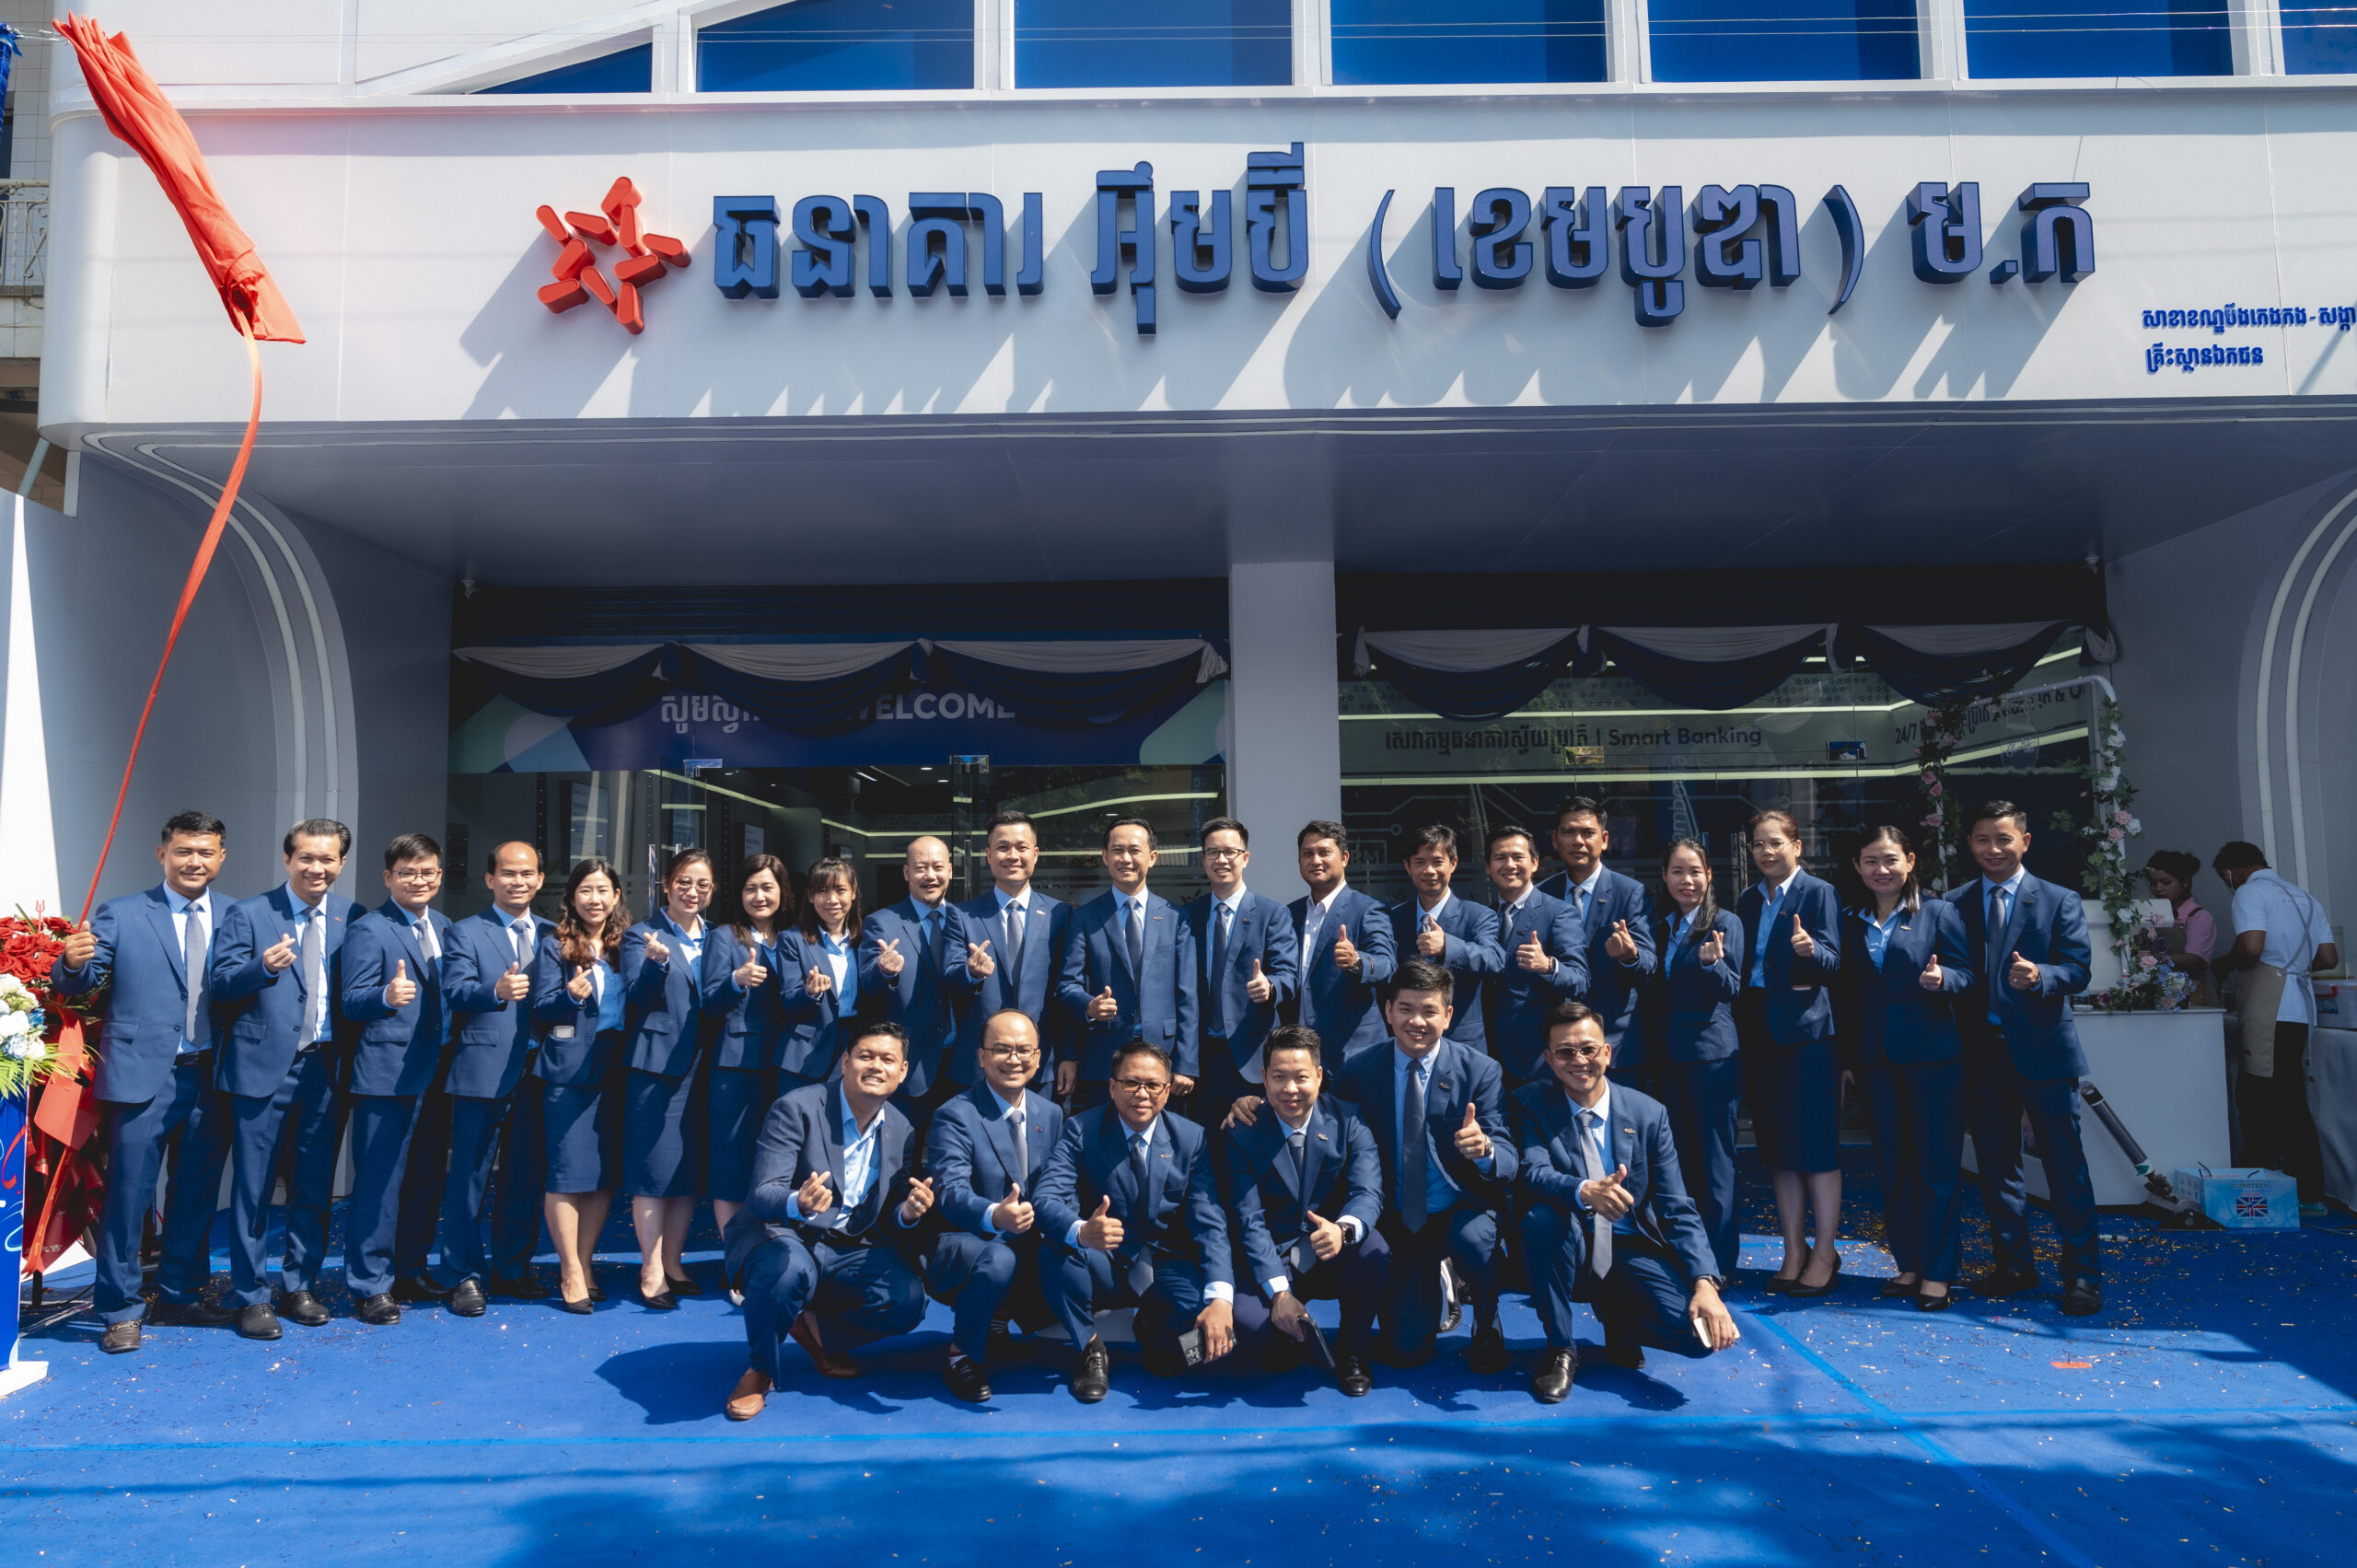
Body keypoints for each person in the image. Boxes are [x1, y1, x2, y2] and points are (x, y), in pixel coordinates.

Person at [52, 810, 240, 1354]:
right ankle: (120, 1309)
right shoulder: (123, 912)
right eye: (183, 851)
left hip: (211, 1077)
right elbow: (83, 982)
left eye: (205, 852)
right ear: (163, 855)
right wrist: (71, 962)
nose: (194, 861)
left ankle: (181, 1295)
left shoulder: (238, 915)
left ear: (221, 857)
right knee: (128, 1199)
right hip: (141, 1079)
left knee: (196, 1192)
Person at [1511, 1002, 1739, 1403]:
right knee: (1542, 1219)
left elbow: (1676, 1205)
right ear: (1548, 1059)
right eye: (1565, 1052)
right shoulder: (1529, 1102)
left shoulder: (1649, 1113)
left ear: (1607, 1052)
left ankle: (1621, 1320)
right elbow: (1533, 1171)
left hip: (1631, 1246)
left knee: (1699, 1337)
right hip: (1568, 1240)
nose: (1578, 1060)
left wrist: (1706, 1284)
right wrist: (1585, 1190)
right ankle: (1561, 1348)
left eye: (1588, 1049)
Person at [719, 1023, 935, 1422]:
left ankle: (817, 1331)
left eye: (888, 1059)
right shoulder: (797, 1108)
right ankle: (761, 1368)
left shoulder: (902, 1128)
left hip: (848, 1244)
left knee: (908, 1301)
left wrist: (906, 1212)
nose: (876, 1066)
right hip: (784, 1233)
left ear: (903, 1071)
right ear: (845, 1061)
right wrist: (798, 1202)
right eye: (866, 1056)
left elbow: (889, 1210)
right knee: (787, 1271)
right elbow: (763, 1193)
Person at [210, 819, 361, 1339]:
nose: (317, 868)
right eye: (306, 858)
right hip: (261, 1070)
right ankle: (251, 1296)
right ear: (287, 859)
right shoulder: (249, 913)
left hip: (327, 1069)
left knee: (313, 1185)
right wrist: (262, 968)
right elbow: (220, 985)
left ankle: (300, 1285)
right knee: (252, 1188)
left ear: (341, 863)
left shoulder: (352, 917)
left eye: (328, 859)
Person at [1948, 801, 2101, 1316]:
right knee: (1996, 1169)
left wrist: (2042, 976)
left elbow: (2078, 969)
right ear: (1969, 844)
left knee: (2065, 1168)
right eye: (1982, 839)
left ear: (2025, 841)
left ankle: (2082, 1276)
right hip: (1982, 1054)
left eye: (2003, 839)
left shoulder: (2058, 899)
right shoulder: (1954, 904)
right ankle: (2014, 1266)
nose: (1992, 849)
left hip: (2045, 1053)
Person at [1331, 958, 1515, 1373]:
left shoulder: (1480, 1071)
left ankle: (1487, 1322)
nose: (1417, 1021)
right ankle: (1435, 1279)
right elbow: (1322, 1122)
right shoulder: (1359, 1069)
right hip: (1397, 1215)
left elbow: (1508, 1158)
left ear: (1448, 1016)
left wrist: (1485, 1148)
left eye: (1429, 1011)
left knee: (1476, 1241)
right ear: (1388, 1011)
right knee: (1406, 1351)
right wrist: (1253, 1106)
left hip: (1456, 1209)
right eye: (1406, 1009)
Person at [1034, 1040, 1234, 1401]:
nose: (1142, 1093)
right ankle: (1089, 1347)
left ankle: (1154, 1329)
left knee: (1198, 1349)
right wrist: (1083, 1231)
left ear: (1167, 1091)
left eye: (1153, 1085)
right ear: (1112, 1087)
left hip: (1166, 1264)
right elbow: (1045, 1198)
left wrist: (1221, 1298)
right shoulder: (1081, 1129)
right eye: (1131, 1083)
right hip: (1106, 1258)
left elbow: (1210, 1222)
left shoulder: (1192, 1138)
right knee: (1055, 1251)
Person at [1835, 828, 1971, 1311]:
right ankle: (1909, 1263)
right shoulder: (1849, 920)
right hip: (1875, 1063)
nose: (1882, 870)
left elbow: (1966, 974)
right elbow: (1847, 997)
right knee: (1894, 1165)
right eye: (1871, 861)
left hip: (1933, 1060)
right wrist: (1848, 1061)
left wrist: (1943, 978)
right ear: (1857, 866)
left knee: (1936, 1168)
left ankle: (1938, 1272)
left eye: (1891, 859)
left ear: (1910, 861)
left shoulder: (1938, 913)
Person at [1219, 1025, 1387, 1397]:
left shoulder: (1349, 1119)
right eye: (1279, 1077)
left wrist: (1343, 1230)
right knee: (1254, 1333)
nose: (1290, 1089)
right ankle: (1289, 1331)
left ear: (1320, 1076)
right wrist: (1279, 1293)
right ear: (1263, 1078)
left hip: (1330, 1248)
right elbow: (1248, 1220)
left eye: (1301, 1077)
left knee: (1374, 1249)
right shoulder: (1242, 1132)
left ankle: (1352, 1350)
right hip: (1274, 1256)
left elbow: (1367, 1191)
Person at [336, 833, 456, 1324]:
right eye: (407, 872)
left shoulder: (445, 927)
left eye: (427, 872)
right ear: (388, 878)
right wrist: (385, 996)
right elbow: (351, 1000)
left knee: (425, 1179)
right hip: (386, 1077)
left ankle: (409, 1269)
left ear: (439, 876)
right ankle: (370, 1284)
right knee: (379, 1184)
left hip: (438, 1074)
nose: (418, 880)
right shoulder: (370, 928)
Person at [921, 1008, 1066, 1402]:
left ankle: (1003, 1321)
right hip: (967, 1239)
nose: (1014, 1059)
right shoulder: (954, 1114)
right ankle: (960, 1355)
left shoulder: (1051, 1113)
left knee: (1073, 1251)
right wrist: (993, 1215)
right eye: (1002, 1049)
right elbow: (950, 1191)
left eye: (1024, 1050)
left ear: (1038, 1057)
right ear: (981, 1056)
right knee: (999, 1258)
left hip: (1028, 1236)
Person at [431, 842, 552, 1309]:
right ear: (490, 879)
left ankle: (512, 1268)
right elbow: (456, 991)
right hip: (481, 1071)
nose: (518, 881)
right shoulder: (465, 931)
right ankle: (461, 1274)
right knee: (469, 1176)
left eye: (527, 874)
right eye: (508, 873)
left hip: (538, 1071)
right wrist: (495, 991)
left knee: (525, 1173)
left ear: (539, 880)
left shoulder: (554, 933)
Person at [1734, 808, 1843, 1295]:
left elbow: (1835, 962)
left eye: (1775, 842)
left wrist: (1810, 950)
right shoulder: (1747, 899)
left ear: (1797, 846)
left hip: (1807, 1036)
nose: (1766, 852)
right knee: (1778, 1148)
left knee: (1815, 1148)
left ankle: (1825, 1253)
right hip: (1759, 1032)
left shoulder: (1819, 893)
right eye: (1758, 844)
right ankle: (1794, 1248)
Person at [2212, 842, 2339, 1213]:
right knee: (2290, 1097)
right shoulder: (2306, 898)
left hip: (2271, 1005)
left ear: (2229, 872)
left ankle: (2259, 1191)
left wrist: (2225, 964)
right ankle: (2309, 1192)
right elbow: (2329, 957)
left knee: (2256, 1098)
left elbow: (2252, 946)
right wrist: (2292, 964)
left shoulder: (2250, 892)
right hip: (2300, 1006)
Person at [529, 856, 629, 1312]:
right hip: (568, 1072)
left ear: (616, 896)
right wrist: (568, 996)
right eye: (586, 890)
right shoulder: (554, 946)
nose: (595, 899)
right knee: (567, 1173)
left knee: (601, 1176)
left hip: (615, 1068)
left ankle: (586, 1263)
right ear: (572, 897)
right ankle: (569, 1269)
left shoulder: (627, 945)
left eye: (603, 890)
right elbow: (541, 1007)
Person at [620, 848, 717, 1309]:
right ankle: (651, 1267)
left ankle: (674, 1262)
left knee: (687, 1170)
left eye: (702, 884)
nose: (692, 892)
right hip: (657, 1066)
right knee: (654, 1170)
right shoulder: (641, 935)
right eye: (683, 882)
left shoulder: (718, 937)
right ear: (666, 886)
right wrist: (655, 964)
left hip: (706, 1066)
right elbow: (636, 996)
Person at [1646, 837, 1745, 1278]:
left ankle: (1718, 1264)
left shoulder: (1725, 922)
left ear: (1709, 875)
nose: (1687, 881)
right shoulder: (1661, 925)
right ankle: (1686, 1256)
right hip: (1669, 1057)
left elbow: (1733, 988)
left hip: (1712, 1058)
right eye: (1677, 872)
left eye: (1695, 872)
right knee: (1678, 1161)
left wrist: (1712, 965)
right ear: (1664, 877)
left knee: (1716, 1162)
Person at [1056, 818, 1197, 1108]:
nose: (1126, 858)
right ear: (1105, 857)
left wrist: (1186, 1062)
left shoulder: (1176, 918)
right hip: (1103, 1058)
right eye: (1117, 850)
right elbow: (1067, 985)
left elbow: (1188, 995)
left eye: (1135, 850)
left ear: (1152, 857)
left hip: (1163, 1059)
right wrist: (1089, 1006)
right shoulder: (1084, 917)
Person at [1186, 816, 1300, 1127]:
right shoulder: (1188, 916)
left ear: (1245, 858)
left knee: (1252, 1142)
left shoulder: (1272, 913)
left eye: (1230, 852)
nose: (1221, 860)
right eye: (1212, 852)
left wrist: (1270, 987)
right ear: (1203, 860)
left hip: (1251, 1056)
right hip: (1201, 1060)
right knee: (1203, 1142)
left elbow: (1289, 974)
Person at [1537, 798, 1657, 1090]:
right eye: (1568, 832)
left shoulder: (1631, 893)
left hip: (1614, 1044)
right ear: (1554, 839)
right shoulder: (1541, 894)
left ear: (1604, 839)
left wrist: (1630, 955)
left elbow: (1649, 963)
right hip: (1557, 1050)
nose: (1578, 841)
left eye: (1587, 833)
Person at [702, 854, 793, 1242]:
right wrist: (735, 981)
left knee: (777, 1157)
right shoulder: (725, 937)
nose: (759, 896)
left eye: (767, 887)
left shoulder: (794, 936)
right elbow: (709, 1002)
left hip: (785, 1061)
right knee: (732, 1158)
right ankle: (734, 1252)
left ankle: (771, 1244)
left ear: (782, 891)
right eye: (750, 888)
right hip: (736, 1064)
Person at [860, 835, 978, 1115]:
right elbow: (868, 983)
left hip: (963, 1063)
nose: (930, 876)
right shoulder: (882, 922)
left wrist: (975, 974)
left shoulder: (970, 920)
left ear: (950, 871)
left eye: (938, 867)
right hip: (910, 1064)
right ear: (906, 872)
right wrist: (884, 971)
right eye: (921, 868)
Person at [954, 810, 1070, 1094]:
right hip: (979, 1062)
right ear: (988, 855)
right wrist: (970, 973)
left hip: (1041, 1060)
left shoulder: (1061, 914)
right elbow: (948, 977)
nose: (1013, 856)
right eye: (1003, 847)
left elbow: (1069, 989)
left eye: (1021, 847)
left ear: (1036, 854)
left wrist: (1070, 1055)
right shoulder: (962, 916)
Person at [1482, 824, 1588, 1086]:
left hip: (1538, 1058)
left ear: (1535, 863)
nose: (1509, 865)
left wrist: (1548, 966)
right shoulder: (1482, 915)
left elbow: (1580, 980)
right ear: (1488, 867)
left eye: (1518, 857)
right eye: (1500, 857)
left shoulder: (1559, 913)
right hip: (1487, 1055)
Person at [1387, 825, 1504, 1054]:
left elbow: (1494, 961)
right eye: (1420, 862)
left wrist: (1447, 946)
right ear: (1408, 867)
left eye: (1437, 862)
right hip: (1406, 1042)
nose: (1429, 870)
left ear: (1453, 863)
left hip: (1462, 1041)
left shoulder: (1478, 915)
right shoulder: (1395, 918)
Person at [1284, 819, 1398, 1056]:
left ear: (1344, 858)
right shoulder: (1289, 914)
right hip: (1299, 1053)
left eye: (1324, 852)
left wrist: (1357, 960)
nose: (1315, 860)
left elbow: (1387, 965)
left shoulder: (1368, 909)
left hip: (1351, 1051)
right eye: (1308, 854)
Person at [773, 855, 863, 1094]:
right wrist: (810, 993)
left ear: (853, 893)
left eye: (840, 890)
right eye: (822, 891)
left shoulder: (865, 939)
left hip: (854, 1047)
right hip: (807, 1053)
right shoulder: (793, 939)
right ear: (811, 896)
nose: (832, 900)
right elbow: (788, 1001)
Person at [2142, 850, 2217, 993]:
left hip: (2192, 992)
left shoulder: (2200, 917)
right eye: (2153, 883)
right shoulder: (2151, 915)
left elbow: (2194, 959)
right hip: (2158, 991)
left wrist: (2150, 959)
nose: (2158, 888)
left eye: (2166, 882)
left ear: (2185, 882)